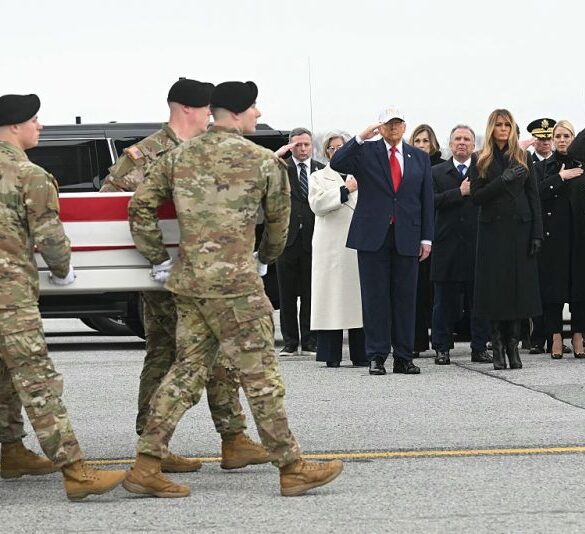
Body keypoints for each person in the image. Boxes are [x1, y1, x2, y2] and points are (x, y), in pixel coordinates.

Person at [124, 81, 343, 498]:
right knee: (261, 377)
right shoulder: (262, 162)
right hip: (237, 289)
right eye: (255, 108)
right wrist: (263, 258)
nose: (258, 114)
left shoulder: (177, 156)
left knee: (185, 373)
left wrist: (158, 258)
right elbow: (280, 227)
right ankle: (292, 467)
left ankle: (146, 464)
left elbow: (140, 206)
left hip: (190, 284)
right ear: (239, 113)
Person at [101, 78, 268, 474]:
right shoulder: (147, 155)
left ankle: (232, 439)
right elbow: (112, 205)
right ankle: (157, 443)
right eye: (208, 106)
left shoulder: (204, 150)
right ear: (191, 108)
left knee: (214, 355)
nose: (213, 113)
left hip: (201, 272)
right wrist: (155, 259)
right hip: (164, 279)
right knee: (168, 356)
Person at [0, 93, 125, 500]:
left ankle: (12, 451)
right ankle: (75, 470)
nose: (40, 126)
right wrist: (62, 269)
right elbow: (50, 237)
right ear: (15, 126)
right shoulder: (28, 174)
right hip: (9, 298)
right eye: (35, 120)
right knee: (38, 381)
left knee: (4, 377)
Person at [330, 107, 434, 376]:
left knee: (405, 298)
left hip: (407, 235)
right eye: (389, 124)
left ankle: (403, 356)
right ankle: (376, 355)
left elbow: (426, 201)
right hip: (373, 236)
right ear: (380, 126)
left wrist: (426, 238)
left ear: (404, 126)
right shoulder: (366, 152)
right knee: (375, 298)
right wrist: (361, 137)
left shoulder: (419, 157)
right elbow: (337, 163)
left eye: (398, 124)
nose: (394, 128)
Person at [470, 109, 543, 370]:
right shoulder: (480, 158)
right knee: (495, 291)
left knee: (518, 291)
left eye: (507, 125)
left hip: (520, 231)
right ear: (492, 128)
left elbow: (533, 195)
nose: (503, 129)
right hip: (493, 233)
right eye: (499, 125)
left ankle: (514, 344)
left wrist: (536, 233)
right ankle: (498, 344)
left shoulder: (522, 157)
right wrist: (503, 180)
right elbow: (476, 197)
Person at [430, 125, 491, 365]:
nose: (462, 143)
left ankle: (479, 347)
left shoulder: (483, 171)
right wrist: (459, 192)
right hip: (447, 245)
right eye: (457, 139)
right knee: (444, 301)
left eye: (467, 139)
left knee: (479, 301)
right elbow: (430, 201)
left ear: (474, 145)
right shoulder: (436, 172)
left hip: (477, 244)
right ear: (450, 144)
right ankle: (441, 348)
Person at [308, 131, 366, 367]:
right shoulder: (318, 177)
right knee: (330, 298)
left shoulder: (362, 174)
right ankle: (330, 354)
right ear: (326, 152)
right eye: (333, 148)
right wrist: (345, 190)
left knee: (358, 299)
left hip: (356, 243)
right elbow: (317, 204)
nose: (337, 152)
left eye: (342, 147)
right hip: (330, 245)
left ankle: (361, 353)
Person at [535, 120, 585, 359]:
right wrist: (561, 177)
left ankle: (577, 334)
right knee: (553, 289)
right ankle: (554, 336)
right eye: (559, 136)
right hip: (553, 236)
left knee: (579, 288)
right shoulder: (546, 166)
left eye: (567, 135)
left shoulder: (582, 164)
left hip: (579, 235)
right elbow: (537, 193)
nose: (563, 140)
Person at [275, 128, 324, 356]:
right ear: (290, 146)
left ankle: (310, 339)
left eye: (306, 144)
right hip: (287, 240)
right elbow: (262, 174)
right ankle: (290, 342)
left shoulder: (320, 171)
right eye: (298, 145)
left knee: (309, 293)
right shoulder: (282, 169)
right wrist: (279, 155)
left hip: (312, 240)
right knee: (286, 294)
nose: (303, 149)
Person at [524, 118, 559, 355]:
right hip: (535, 231)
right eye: (541, 138)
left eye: (549, 138)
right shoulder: (527, 164)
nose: (545, 143)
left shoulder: (561, 163)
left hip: (557, 232)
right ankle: (536, 337)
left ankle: (553, 335)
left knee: (554, 286)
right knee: (535, 287)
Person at [409, 124, 445, 357]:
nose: (422, 145)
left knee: (438, 292)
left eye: (426, 141)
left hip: (440, 233)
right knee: (417, 291)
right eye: (418, 141)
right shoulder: (408, 165)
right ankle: (416, 341)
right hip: (415, 234)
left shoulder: (442, 167)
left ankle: (442, 340)